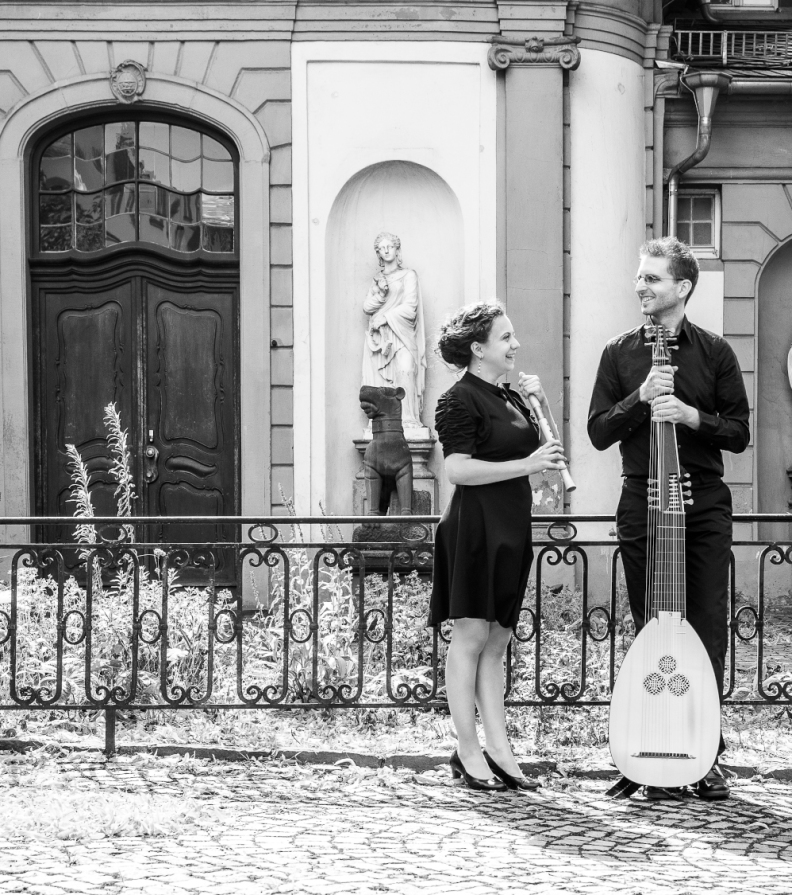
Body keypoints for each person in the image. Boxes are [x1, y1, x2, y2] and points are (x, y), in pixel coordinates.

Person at [588, 237, 750, 801]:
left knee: (704, 627)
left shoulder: (715, 352)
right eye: (639, 277)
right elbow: (598, 431)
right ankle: (645, 750)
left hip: (702, 502)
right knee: (650, 623)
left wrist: (689, 415)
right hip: (642, 499)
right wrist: (639, 397)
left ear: (681, 287)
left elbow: (740, 432)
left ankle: (704, 754)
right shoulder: (618, 353)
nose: (642, 286)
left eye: (653, 278)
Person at [429, 301, 567, 792]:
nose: (516, 345)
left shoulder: (511, 396)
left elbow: (542, 455)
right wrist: (527, 466)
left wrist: (541, 405)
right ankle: (467, 750)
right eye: (506, 338)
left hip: (511, 527)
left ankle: (501, 751)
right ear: (478, 348)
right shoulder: (458, 400)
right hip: (474, 528)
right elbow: (458, 471)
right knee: (469, 638)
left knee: (497, 642)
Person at [362, 232, 427, 431]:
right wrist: (381, 293)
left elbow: (411, 307)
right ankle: (383, 420)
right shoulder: (378, 280)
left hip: (403, 334)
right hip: (381, 339)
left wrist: (386, 316)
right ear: (378, 254)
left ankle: (408, 419)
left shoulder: (409, 275)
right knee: (381, 382)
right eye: (382, 248)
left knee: (405, 370)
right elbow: (367, 307)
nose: (387, 250)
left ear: (397, 250)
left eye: (390, 246)